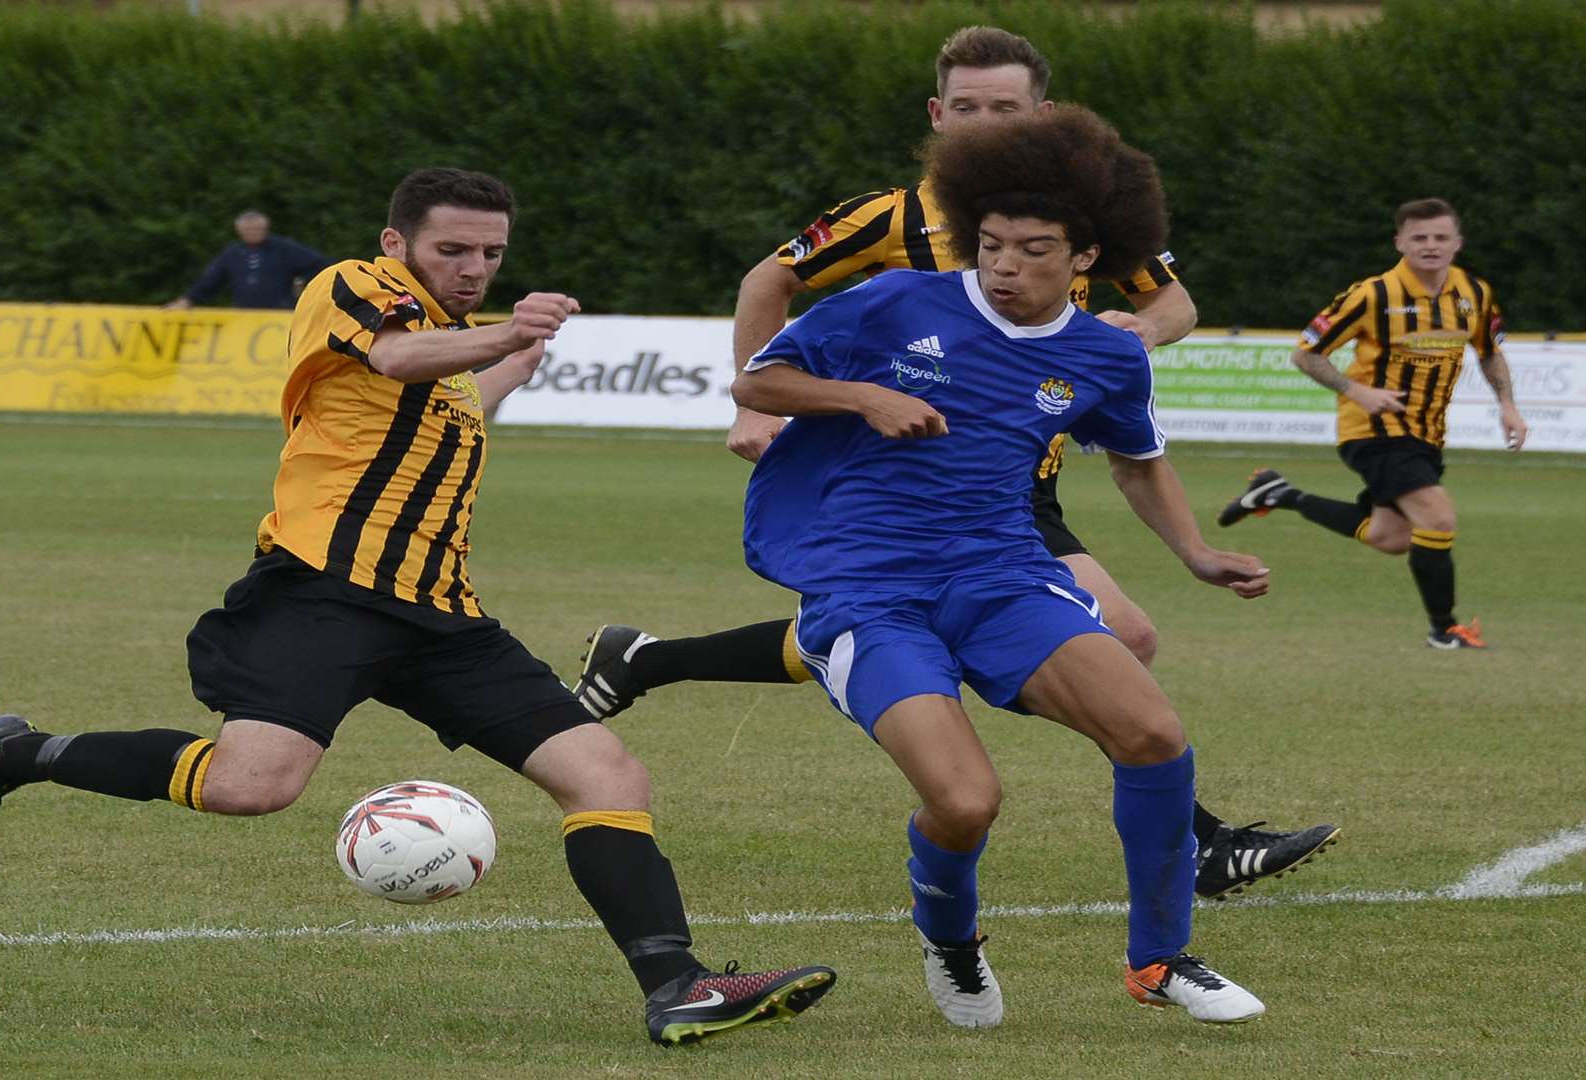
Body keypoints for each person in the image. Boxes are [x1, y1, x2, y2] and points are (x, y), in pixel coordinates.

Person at [0, 168, 835, 1048]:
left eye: (491, 256)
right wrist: (505, 333)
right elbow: (397, 357)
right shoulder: (352, 287)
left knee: (606, 776)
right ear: (398, 243)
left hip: (444, 617)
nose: (474, 270)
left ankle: (679, 988)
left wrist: (515, 359)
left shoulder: (458, 358)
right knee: (250, 788)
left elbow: (462, 390)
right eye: (453, 252)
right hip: (322, 594)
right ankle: (16, 754)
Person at [572, 25, 1337, 903]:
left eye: (1002, 108)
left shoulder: (1075, 212)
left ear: (1042, 114)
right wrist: (752, 404)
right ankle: (1200, 841)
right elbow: (766, 284)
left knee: (1004, 634)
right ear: (936, 115)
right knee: (1119, 635)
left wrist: (1139, 332)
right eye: (963, 108)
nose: (980, 124)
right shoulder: (889, 219)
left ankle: (650, 660)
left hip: (1019, 478)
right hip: (912, 477)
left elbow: (1172, 299)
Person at [732, 105, 1267, 1026]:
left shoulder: (1107, 352)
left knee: (1154, 737)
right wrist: (864, 398)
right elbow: (757, 383)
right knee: (967, 802)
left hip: (1004, 575)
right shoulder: (895, 302)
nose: (1004, 266)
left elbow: (1137, 460)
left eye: (1032, 249)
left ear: (1087, 259)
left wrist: (1198, 553)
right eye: (990, 245)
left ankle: (1161, 961)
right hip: (869, 594)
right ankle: (951, 940)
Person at [1216, 197, 1525, 649]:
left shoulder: (1474, 294)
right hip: (1374, 430)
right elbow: (1306, 353)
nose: (1430, 246)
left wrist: (1508, 405)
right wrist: (1357, 391)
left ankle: (1279, 494)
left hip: (1426, 434)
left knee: (1391, 536)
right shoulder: (1372, 295)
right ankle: (1445, 631)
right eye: (1419, 237)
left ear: (1457, 243)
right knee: (1437, 517)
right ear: (1400, 242)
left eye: (1440, 237)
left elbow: (1490, 351)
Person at [166, 210, 333, 310]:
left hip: (279, 316)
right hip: (244, 317)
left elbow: (319, 266)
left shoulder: (285, 248)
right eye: (247, 229)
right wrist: (188, 300)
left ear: (265, 228)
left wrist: (307, 289)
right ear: (239, 230)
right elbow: (211, 280)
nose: (252, 232)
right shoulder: (232, 254)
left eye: (257, 228)